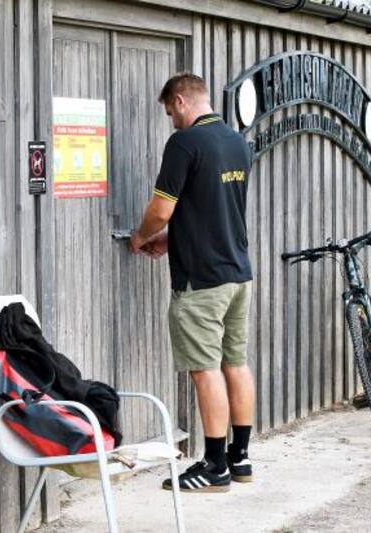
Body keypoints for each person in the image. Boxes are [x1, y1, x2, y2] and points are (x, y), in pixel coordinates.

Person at [129, 73, 255, 493]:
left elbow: (162, 209)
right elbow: (212, 207)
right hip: (238, 274)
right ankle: (240, 458)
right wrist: (172, 239)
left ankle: (214, 465)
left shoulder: (184, 143)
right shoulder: (238, 143)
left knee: (205, 371)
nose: (171, 122)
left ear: (181, 101)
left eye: (170, 113)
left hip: (201, 281)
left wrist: (142, 235)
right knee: (235, 363)